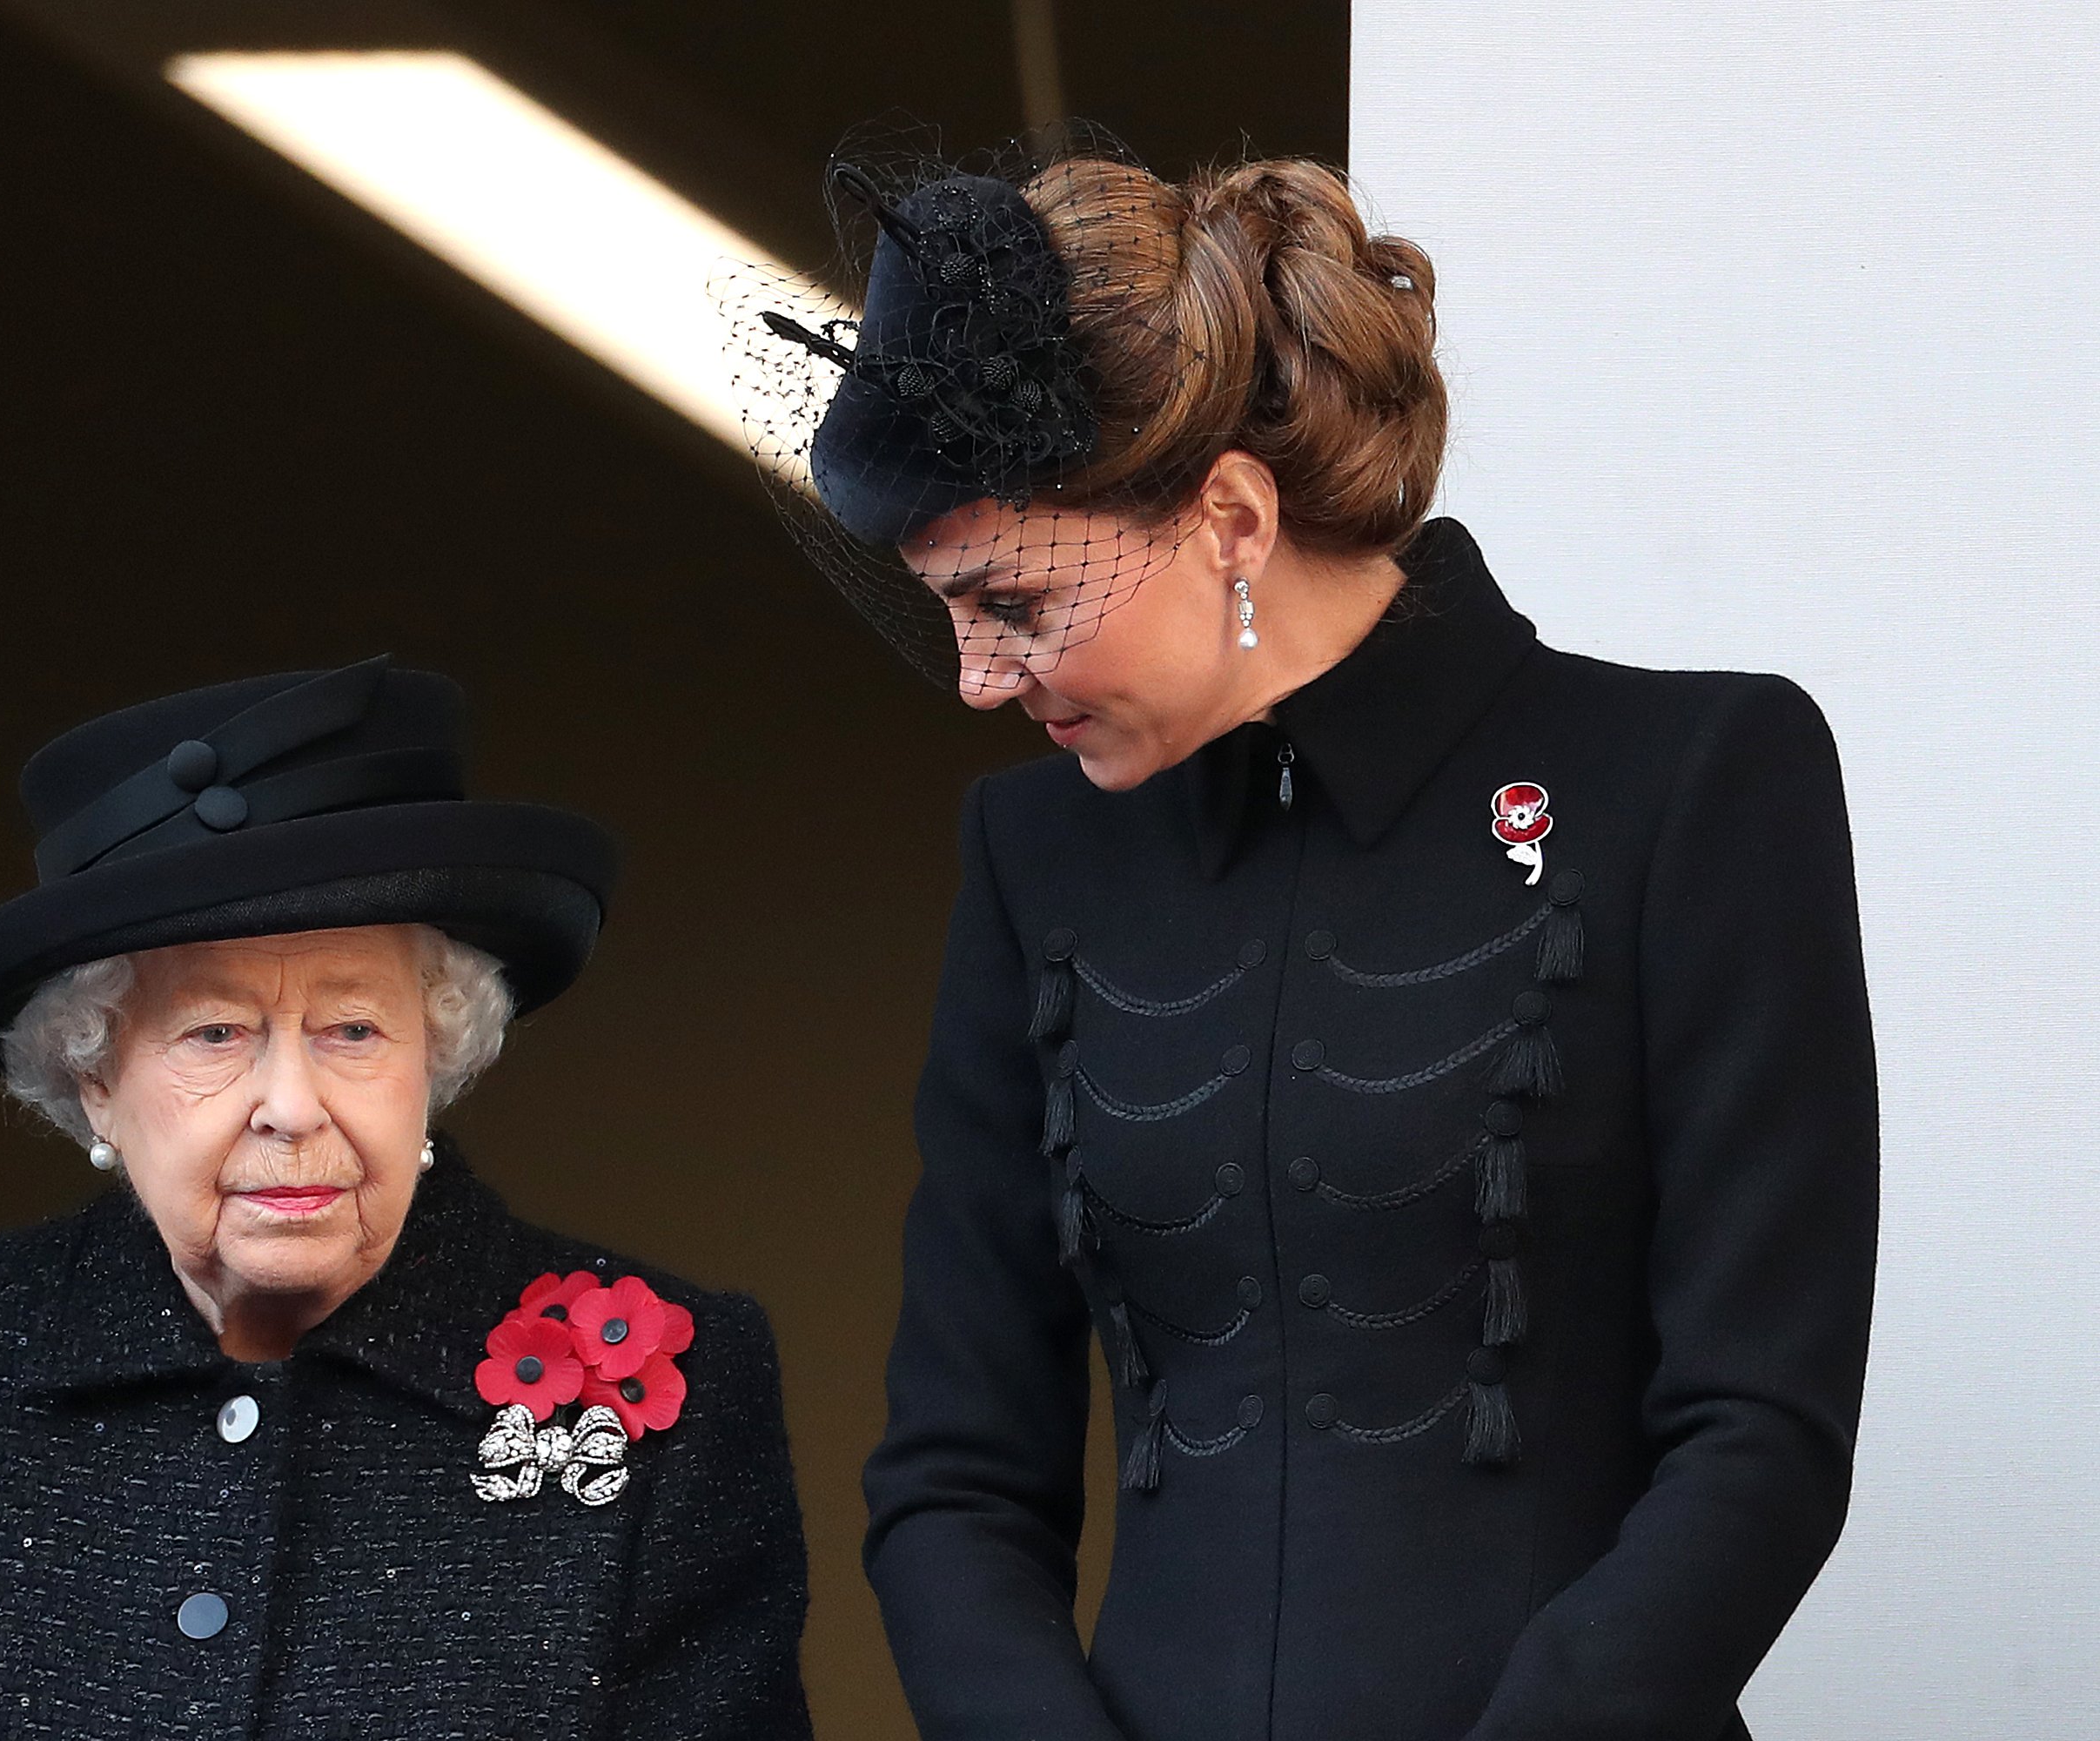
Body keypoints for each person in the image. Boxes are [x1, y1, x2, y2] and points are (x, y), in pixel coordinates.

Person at [741, 134, 1877, 1738]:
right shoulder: (1032, 853)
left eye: (1013, 603)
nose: (977, 679)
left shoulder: (1694, 781)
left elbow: (1762, 1429)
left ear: (1229, 516)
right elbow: (952, 1481)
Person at [0, 656, 812, 1739]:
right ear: (96, 1080)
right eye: (215, 1033)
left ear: (438, 1055)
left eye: (353, 1031)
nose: (292, 1106)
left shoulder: (677, 1369)